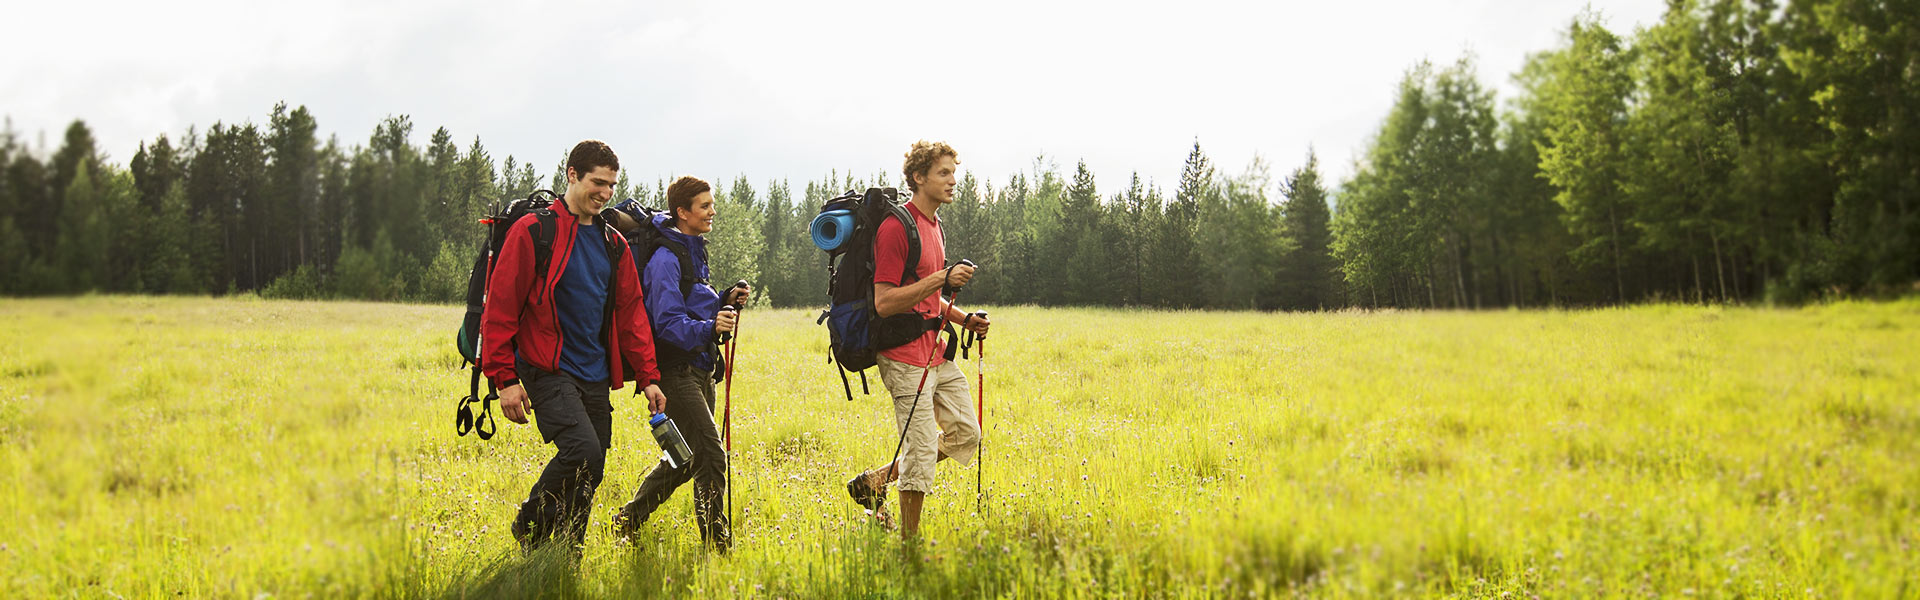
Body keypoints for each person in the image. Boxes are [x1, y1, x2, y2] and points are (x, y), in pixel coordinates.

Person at [479, 139, 668, 557]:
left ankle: (566, 552)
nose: (604, 193)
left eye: (611, 186)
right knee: (582, 451)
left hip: (595, 373)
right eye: (597, 183)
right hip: (546, 368)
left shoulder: (614, 244)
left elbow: (633, 314)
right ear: (572, 176)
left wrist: (649, 377)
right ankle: (530, 522)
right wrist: (504, 379)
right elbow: (501, 308)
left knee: (592, 465)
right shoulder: (535, 231)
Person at [844, 140, 992, 539]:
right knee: (922, 451)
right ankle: (909, 546)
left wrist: (964, 318)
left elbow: (927, 294)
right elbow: (886, 300)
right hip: (903, 357)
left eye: (953, 173)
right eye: (943, 173)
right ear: (918, 178)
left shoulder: (934, 226)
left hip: (937, 354)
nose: (952, 181)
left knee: (967, 433)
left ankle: (874, 481)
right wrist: (942, 276)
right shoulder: (896, 227)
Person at [606, 176, 751, 551]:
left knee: (685, 458)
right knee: (710, 455)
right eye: (704, 206)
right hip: (676, 372)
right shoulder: (665, 259)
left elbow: (692, 306)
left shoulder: (691, 250)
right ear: (682, 212)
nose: (712, 211)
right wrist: (710, 326)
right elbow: (667, 324)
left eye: (711, 204)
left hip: (702, 370)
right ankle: (718, 546)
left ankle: (627, 520)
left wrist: (723, 300)